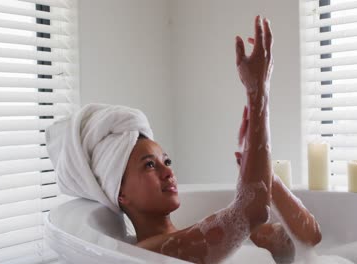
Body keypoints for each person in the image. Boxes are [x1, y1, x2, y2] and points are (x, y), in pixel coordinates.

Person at [46, 16, 321, 264]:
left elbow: (308, 238)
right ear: (121, 193)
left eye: (166, 160)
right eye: (150, 165)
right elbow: (251, 210)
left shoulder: (207, 235)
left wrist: (268, 178)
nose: (168, 171)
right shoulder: (150, 254)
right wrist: (257, 90)